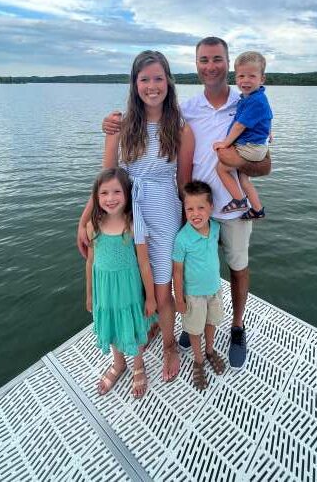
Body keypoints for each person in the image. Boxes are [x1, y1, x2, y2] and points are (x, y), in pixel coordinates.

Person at [103, 37, 270, 370]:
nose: (211, 66)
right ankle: (188, 323)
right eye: (204, 60)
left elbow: (265, 165)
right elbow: (153, 127)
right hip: (193, 209)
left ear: (230, 64)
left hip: (234, 208)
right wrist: (110, 126)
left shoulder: (248, 103)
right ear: (195, 65)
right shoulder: (186, 110)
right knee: (192, 272)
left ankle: (237, 327)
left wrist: (235, 162)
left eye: (218, 59)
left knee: (237, 269)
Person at [78, 51, 194, 382]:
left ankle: (170, 345)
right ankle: (142, 334)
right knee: (133, 285)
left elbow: (184, 183)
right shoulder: (120, 125)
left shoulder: (182, 129)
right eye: (144, 79)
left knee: (161, 289)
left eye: (159, 78)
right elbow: (106, 179)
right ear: (134, 83)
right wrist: (85, 219)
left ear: (169, 83)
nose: (152, 86)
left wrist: (190, 228)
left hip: (163, 214)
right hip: (125, 216)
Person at [85, 167, 157, 398]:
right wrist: (89, 294)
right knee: (112, 324)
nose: (110, 198)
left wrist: (152, 297)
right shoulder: (93, 225)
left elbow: (144, 264)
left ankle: (138, 364)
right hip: (104, 291)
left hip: (129, 291)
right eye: (104, 193)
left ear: (127, 194)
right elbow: (90, 262)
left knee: (131, 326)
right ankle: (118, 363)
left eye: (117, 191)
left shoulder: (133, 225)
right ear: (97, 197)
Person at [173, 181, 226, 390]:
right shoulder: (182, 239)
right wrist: (179, 298)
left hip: (214, 289)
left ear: (211, 207)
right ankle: (198, 360)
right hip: (193, 295)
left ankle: (210, 351)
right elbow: (177, 271)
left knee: (212, 322)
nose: (195, 213)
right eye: (190, 209)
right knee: (195, 330)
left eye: (201, 207)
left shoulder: (216, 227)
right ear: (184, 210)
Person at [213, 51, 272, 219]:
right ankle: (257, 210)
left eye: (252, 76)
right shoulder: (254, 98)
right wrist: (269, 131)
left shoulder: (255, 100)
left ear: (262, 79)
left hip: (251, 146)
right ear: (236, 78)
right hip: (256, 145)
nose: (245, 80)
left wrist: (224, 143)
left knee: (221, 168)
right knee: (244, 180)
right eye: (241, 76)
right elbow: (268, 115)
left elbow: (239, 126)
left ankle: (238, 200)